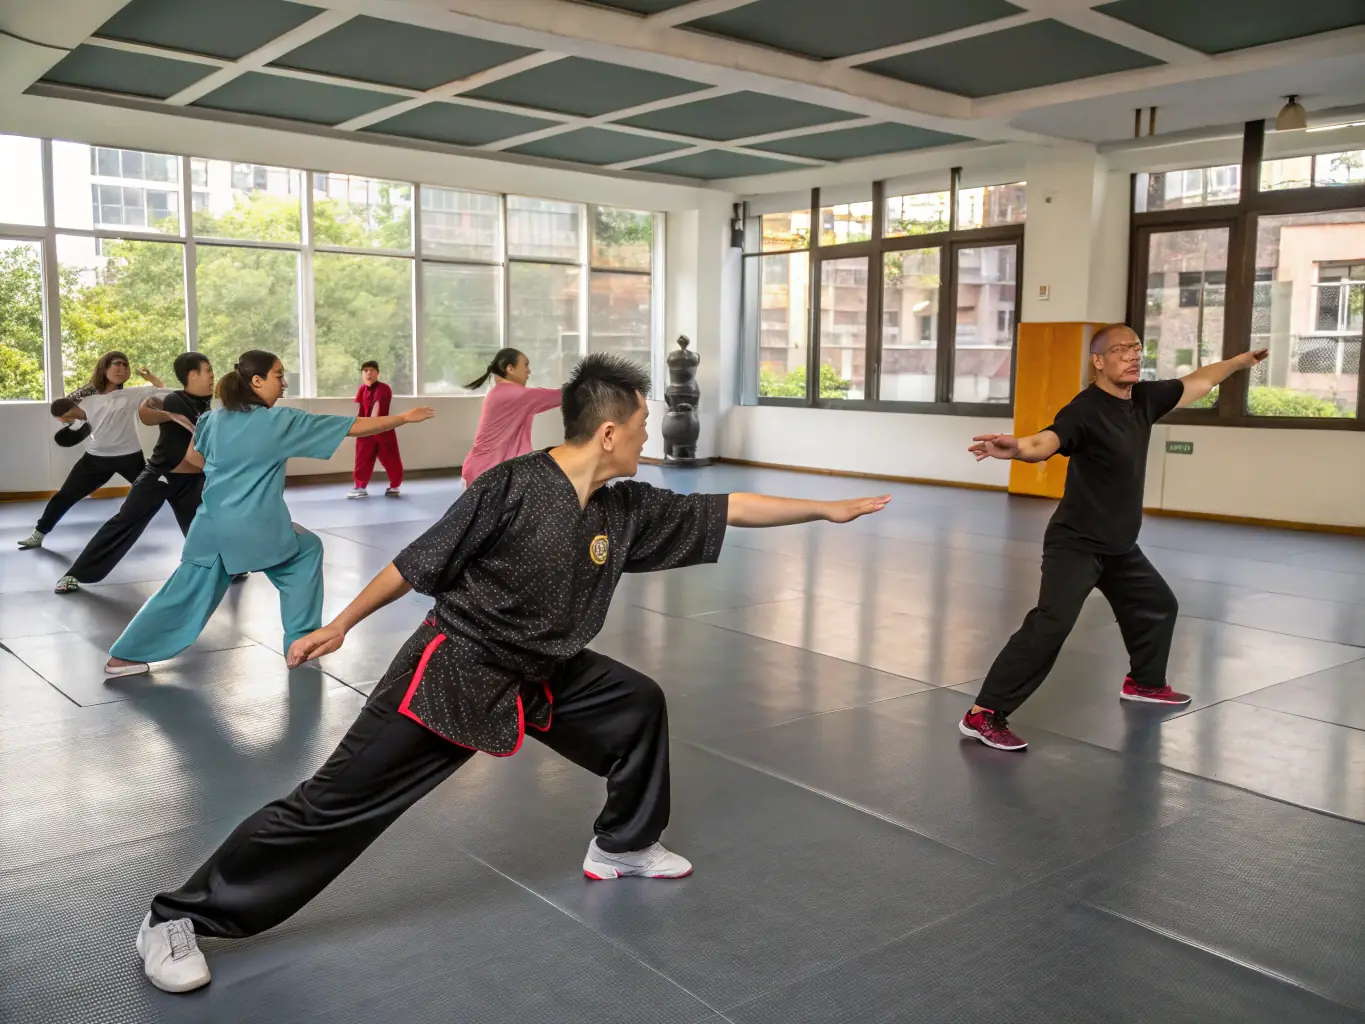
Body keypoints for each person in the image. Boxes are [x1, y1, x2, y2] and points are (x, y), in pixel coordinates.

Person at [133, 353, 890, 994]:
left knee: (634, 704)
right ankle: (178, 918)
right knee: (334, 806)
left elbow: (725, 508)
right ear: (609, 431)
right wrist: (339, 624)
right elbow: (415, 561)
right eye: (641, 426)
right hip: (455, 670)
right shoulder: (514, 486)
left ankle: (622, 846)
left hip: (543, 667)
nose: (646, 436)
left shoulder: (621, 508)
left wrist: (825, 510)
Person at [960, 324, 1268, 751]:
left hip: (1120, 545)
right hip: (1077, 542)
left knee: (1158, 605)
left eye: (1137, 348)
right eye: (1121, 349)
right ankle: (983, 714)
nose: (1132, 355)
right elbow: (1048, 440)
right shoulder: (1085, 409)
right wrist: (1017, 449)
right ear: (1099, 361)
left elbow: (1198, 381)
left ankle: (1144, 683)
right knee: (1052, 624)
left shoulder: (1144, 399)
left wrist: (1238, 362)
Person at [103, 350, 434, 679]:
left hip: (210, 525)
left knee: (186, 588)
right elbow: (354, 426)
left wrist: (228, 475)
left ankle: (124, 655)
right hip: (256, 527)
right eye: (278, 375)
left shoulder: (212, 418)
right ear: (257, 381)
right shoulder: (280, 421)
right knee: (304, 554)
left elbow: (193, 455)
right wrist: (403, 418)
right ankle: (301, 643)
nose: (284, 382)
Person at [54, 352, 218, 594]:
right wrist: (165, 414)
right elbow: (147, 413)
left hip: (191, 477)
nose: (213, 377)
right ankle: (75, 574)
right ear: (192, 375)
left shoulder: (205, 404)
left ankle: (224, 567)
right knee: (125, 522)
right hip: (159, 477)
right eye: (209, 372)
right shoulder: (174, 399)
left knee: (200, 524)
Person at [17, 352, 167, 549]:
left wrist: (150, 378)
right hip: (96, 459)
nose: (121, 368)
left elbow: (163, 391)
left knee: (157, 490)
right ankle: (39, 533)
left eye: (125, 365)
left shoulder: (133, 394)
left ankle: (192, 527)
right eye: (116, 364)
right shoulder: (86, 395)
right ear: (105, 368)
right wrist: (69, 421)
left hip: (130, 457)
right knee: (65, 495)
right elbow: (60, 409)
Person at [461, 347, 563, 488]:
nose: (529, 371)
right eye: (525, 365)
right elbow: (560, 396)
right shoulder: (517, 395)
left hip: (479, 471)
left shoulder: (497, 393)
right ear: (510, 369)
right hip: (490, 475)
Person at [348, 360, 403, 499]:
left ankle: (395, 485)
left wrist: (372, 424)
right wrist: (358, 426)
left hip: (383, 428)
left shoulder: (383, 388)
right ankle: (360, 486)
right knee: (362, 458)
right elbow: (361, 410)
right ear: (362, 373)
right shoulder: (362, 389)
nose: (368, 373)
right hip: (366, 429)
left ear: (377, 373)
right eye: (365, 370)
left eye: (372, 370)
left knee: (390, 458)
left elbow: (377, 408)